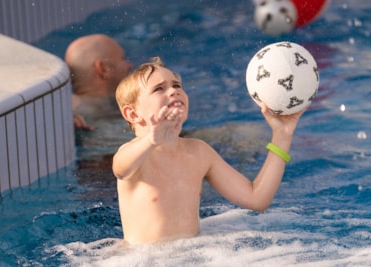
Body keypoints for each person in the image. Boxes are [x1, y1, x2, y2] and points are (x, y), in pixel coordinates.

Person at [112, 57, 305, 244]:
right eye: (159, 89)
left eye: (177, 85)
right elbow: (121, 169)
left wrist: (282, 135)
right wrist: (151, 141)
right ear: (133, 114)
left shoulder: (198, 152)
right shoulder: (134, 154)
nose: (173, 91)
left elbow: (257, 199)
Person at [64, 34, 132, 130]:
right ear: (103, 69)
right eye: (123, 58)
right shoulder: (70, 110)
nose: (129, 65)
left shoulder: (64, 107)